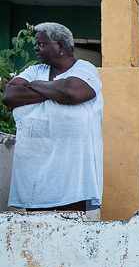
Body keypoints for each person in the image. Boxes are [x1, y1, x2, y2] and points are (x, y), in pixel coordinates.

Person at [1, 22, 103, 212]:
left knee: (70, 228)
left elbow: (73, 92)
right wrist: (56, 92)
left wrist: (34, 86)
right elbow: (9, 95)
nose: (35, 47)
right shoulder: (36, 70)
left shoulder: (85, 69)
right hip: (35, 176)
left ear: (60, 46)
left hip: (71, 175)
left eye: (41, 44)